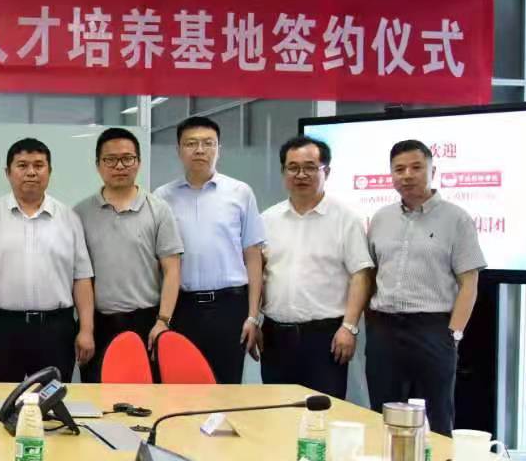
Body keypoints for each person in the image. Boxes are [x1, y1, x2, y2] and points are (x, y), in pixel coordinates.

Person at [365, 139, 486, 435]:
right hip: (384, 329)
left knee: (436, 416)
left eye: (416, 167)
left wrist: (454, 334)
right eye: (399, 169)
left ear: (433, 170)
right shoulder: (380, 219)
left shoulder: (456, 219)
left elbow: (469, 281)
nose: (407, 175)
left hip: (432, 329)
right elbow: (370, 275)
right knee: (383, 414)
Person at [0, 138, 95, 384]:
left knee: (51, 399)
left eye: (39, 165)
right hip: (0, 328)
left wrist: (86, 329)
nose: (31, 172)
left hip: (55, 329)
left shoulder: (69, 218)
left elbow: (82, 278)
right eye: (22, 165)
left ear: (49, 171)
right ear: (8, 172)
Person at [259, 135, 372, 400]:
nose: (301, 174)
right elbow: (258, 274)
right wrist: (254, 318)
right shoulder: (267, 219)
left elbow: (361, 275)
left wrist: (349, 327)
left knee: (323, 413)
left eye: (310, 167)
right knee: (275, 412)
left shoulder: (346, 219)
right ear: (283, 172)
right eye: (293, 167)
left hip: (325, 338)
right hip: (275, 335)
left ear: (326, 172)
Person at [157, 116, 266, 385]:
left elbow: (253, 257)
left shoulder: (240, 193)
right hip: (182, 308)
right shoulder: (162, 197)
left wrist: (253, 316)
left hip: (229, 307)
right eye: (191, 143)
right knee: (181, 387)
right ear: (179, 150)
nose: (200, 150)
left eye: (208, 143)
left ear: (219, 149)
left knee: (226, 388)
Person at [73, 127, 183, 381]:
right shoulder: (80, 213)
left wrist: (163, 321)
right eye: (110, 160)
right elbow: (81, 277)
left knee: (147, 396)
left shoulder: (159, 209)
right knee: (99, 395)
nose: (119, 166)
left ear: (138, 162)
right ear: (98, 165)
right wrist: (86, 328)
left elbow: (172, 269)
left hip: (147, 321)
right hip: (99, 324)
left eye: (127, 158)